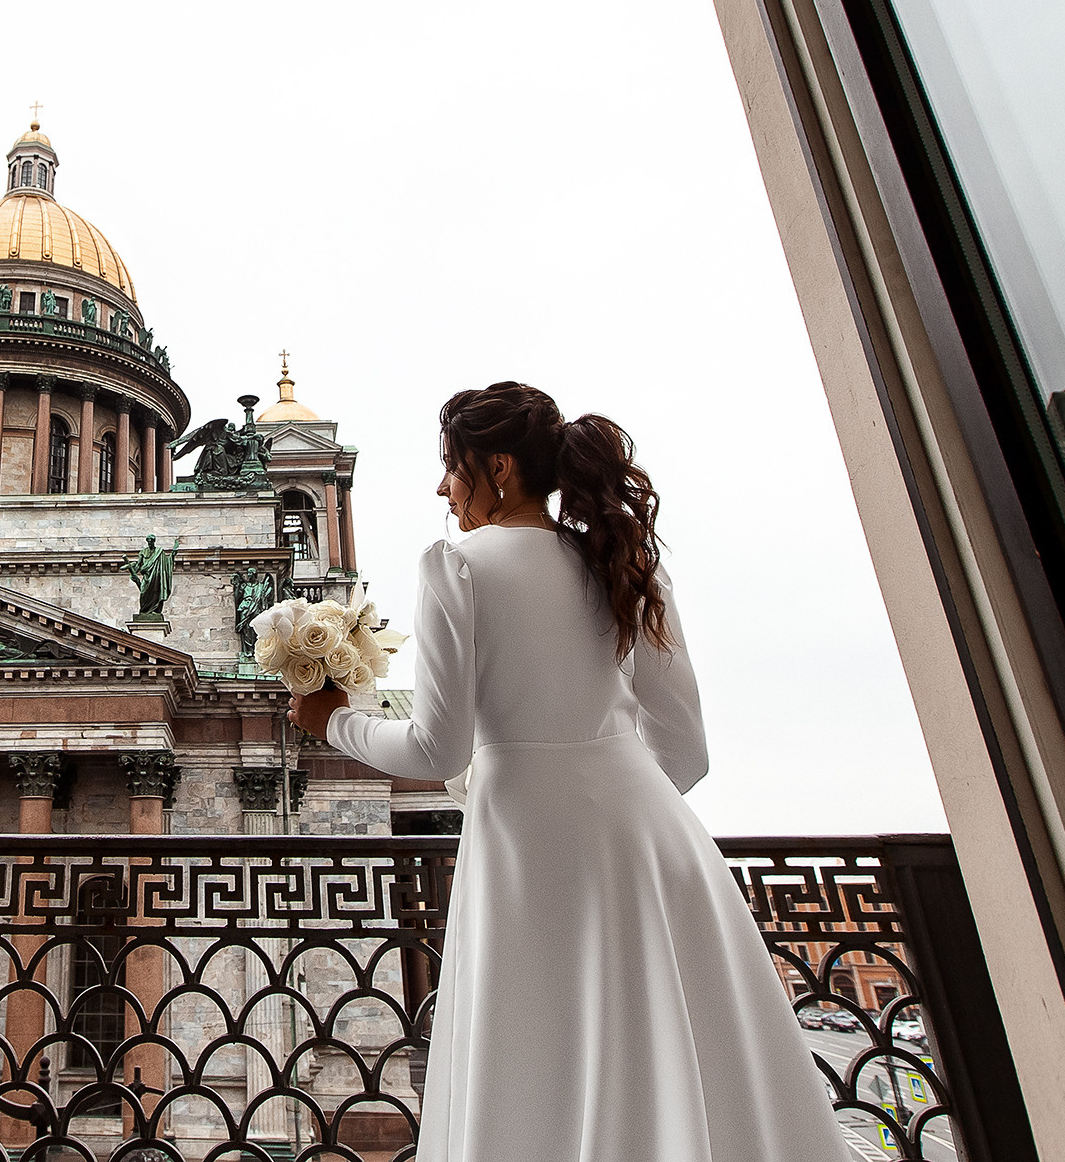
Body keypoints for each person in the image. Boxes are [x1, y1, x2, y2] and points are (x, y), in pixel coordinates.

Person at [288, 382, 848, 1162]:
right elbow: (687, 752)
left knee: (539, 1060)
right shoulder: (623, 560)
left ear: (498, 467)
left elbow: (435, 752)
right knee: (681, 1053)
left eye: (451, 466)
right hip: (655, 843)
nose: (442, 488)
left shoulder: (456, 565)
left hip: (528, 844)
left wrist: (333, 720)